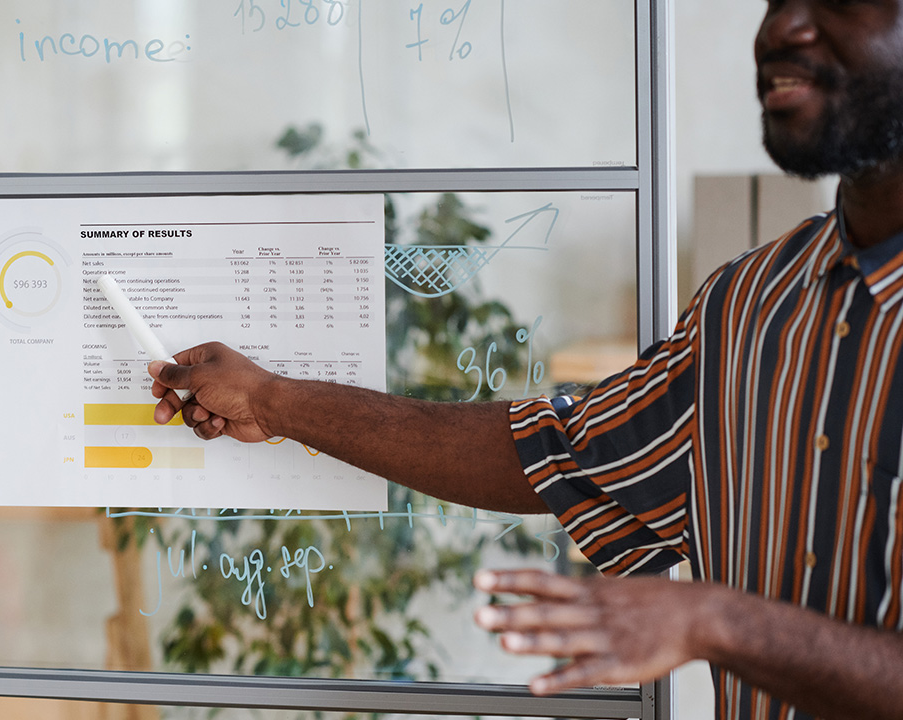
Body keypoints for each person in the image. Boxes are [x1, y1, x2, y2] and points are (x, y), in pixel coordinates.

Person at [145, 1, 903, 718]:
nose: (783, 27)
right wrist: (273, 399)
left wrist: (720, 622)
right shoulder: (755, 304)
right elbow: (552, 453)